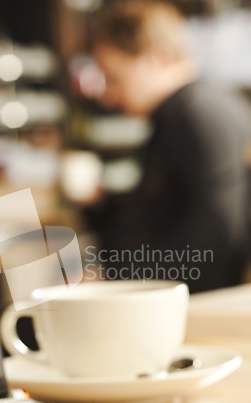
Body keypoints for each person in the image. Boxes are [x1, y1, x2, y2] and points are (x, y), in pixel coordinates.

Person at [83, 0, 251, 293]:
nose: (107, 96)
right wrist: (100, 208)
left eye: (114, 78)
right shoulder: (183, 111)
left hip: (197, 309)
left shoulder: (199, 114)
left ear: (157, 58)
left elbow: (214, 246)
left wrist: (113, 278)